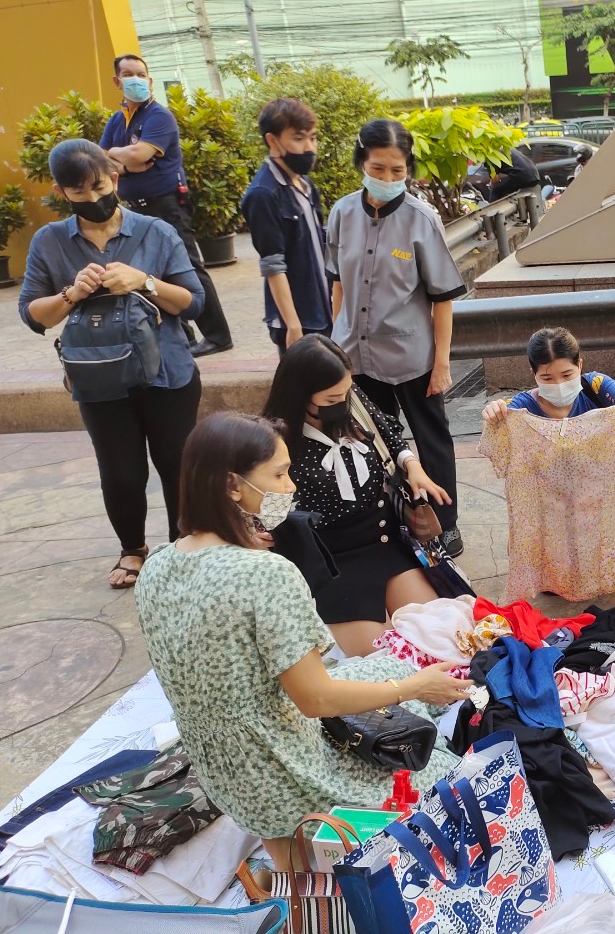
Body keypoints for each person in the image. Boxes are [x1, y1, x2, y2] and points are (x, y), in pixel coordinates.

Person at [135, 412, 469, 870]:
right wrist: (414, 688)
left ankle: (291, 867)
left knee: (385, 665)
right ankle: (322, 856)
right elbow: (316, 699)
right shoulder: (264, 574)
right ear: (232, 486)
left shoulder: (156, 565)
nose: (290, 487)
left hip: (226, 776)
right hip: (288, 770)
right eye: (278, 474)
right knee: (446, 772)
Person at [18, 139, 204, 589]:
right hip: (97, 376)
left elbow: (194, 301)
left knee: (177, 464)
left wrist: (145, 281)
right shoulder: (50, 241)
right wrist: (71, 293)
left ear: (115, 179)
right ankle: (132, 549)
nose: (93, 198)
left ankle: (184, 547)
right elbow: (33, 315)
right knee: (120, 471)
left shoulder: (156, 231)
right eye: (79, 192)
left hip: (168, 372)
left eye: (99, 186)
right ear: (62, 193)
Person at [262, 335, 452, 656]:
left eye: (347, 391)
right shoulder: (275, 440)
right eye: (332, 397)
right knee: (386, 657)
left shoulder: (353, 400)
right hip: (331, 563)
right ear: (300, 394)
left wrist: (413, 466)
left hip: (383, 540)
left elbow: (390, 433)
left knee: (439, 636)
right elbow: (266, 501)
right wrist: (263, 528)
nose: (343, 401)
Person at [326, 119, 465, 556]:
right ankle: (390, 520)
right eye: (378, 168)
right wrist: (336, 345)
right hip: (356, 354)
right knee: (371, 441)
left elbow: (442, 299)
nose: (387, 178)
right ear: (361, 163)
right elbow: (338, 284)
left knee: (431, 441)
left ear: (409, 169)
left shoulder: (421, 219)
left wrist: (441, 363)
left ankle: (445, 524)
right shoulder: (342, 213)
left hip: (412, 356)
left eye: (397, 170)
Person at [481, 326, 615, 549]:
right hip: (553, 508)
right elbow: (500, 416)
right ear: (534, 374)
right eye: (547, 377)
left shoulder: (595, 386)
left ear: (579, 365)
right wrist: (494, 411)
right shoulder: (523, 406)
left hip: (604, 499)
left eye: (567, 375)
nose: (558, 384)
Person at [99, 54, 232, 356]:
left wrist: (125, 156)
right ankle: (182, 336)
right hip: (135, 208)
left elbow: (140, 155)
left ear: (150, 80)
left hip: (167, 204)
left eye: (141, 74)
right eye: (128, 74)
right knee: (154, 273)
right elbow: (102, 158)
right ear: (117, 81)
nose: (136, 79)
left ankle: (217, 336)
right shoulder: (118, 120)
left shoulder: (159, 116)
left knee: (189, 268)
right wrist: (127, 163)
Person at [240, 98, 333, 357]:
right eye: (299, 138)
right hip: (299, 320)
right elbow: (273, 265)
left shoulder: (305, 184)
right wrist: (293, 326)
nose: (309, 148)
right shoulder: (263, 194)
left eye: (313, 138)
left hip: (323, 309)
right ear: (273, 141)